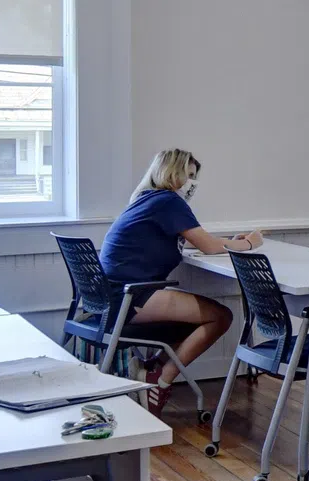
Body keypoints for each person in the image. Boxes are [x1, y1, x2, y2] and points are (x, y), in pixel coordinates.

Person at [98, 149, 264, 405]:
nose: (192, 183)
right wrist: (250, 244)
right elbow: (208, 246)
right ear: (170, 171)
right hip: (130, 295)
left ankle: (152, 369)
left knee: (206, 315)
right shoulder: (168, 201)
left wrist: (227, 243)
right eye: (188, 175)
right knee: (220, 317)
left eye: (194, 177)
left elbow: (199, 242)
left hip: (112, 295)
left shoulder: (146, 199)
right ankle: (161, 382)